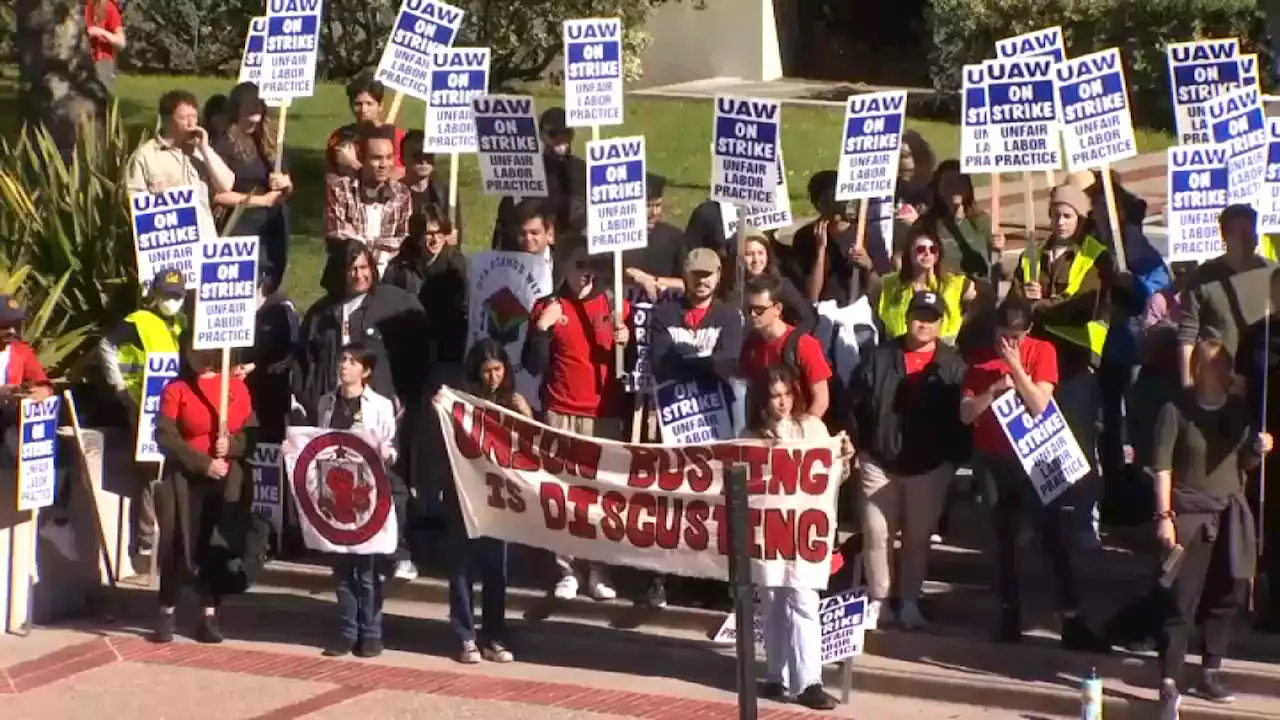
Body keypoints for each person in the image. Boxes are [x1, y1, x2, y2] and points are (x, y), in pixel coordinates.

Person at [959, 295, 1108, 651]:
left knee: (1050, 534)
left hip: (1034, 458)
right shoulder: (979, 362)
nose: (1014, 340)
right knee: (1002, 539)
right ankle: (1008, 614)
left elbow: (1041, 404)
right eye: (1007, 333)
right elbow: (966, 414)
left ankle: (1069, 618)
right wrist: (993, 389)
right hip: (994, 457)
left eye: (1020, 333)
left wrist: (1016, 367)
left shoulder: (1042, 351)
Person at [1152, 339, 1270, 717]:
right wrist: (1164, 516)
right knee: (1182, 598)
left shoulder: (1238, 410)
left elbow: (1245, 463)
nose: (1220, 372)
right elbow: (1163, 466)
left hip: (1230, 510)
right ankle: (1170, 678)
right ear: (1199, 369)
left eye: (1224, 365)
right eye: (1212, 365)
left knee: (1228, 593)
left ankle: (1211, 671)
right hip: (1189, 513)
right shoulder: (1176, 409)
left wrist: (1258, 449)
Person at [848, 290, 967, 630]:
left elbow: (963, 417)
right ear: (907, 317)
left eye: (931, 318)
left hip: (928, 468)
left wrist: (950, 462)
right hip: (879, 460)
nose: (923, 324)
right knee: (876, 532)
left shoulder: (954, 364)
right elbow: (856, 403)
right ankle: (879, 602)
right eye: (918, 316)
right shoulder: (878, 356)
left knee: (917, 537)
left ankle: (910, 603)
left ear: (941, 323)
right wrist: (860, 448)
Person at [1011, 182, 1118, 550]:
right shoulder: (1031, 255)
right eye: (1055, 214)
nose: (1060, 221)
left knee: (1080, 444)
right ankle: (1038, 519)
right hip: (1037, 363)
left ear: (1080, 217)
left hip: (1076, 362)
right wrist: (1023, 300)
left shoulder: (1096, 255)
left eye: (1067, 215)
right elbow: (1013, 309)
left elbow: (1084, 305)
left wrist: (1040, 307)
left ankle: (1086, 519)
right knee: (1036, 444)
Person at [525, 247, 630, 601]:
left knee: (601, 494)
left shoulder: (615, 306)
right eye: (578, 265)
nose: (586, 273)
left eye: (591, 266)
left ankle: (600, 568)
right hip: (561, 411)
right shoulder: (548, 305)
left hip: (604, 415)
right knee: (564, 491)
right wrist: (542, 328)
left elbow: (637, 367)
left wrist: (627, 343)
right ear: (563, 268)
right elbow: (530, 363)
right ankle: (566, 569)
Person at [744, 364, 846, 712]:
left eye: (787, 394)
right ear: (763, 400)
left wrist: (842, 458)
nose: (783, 402)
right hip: (769, 531)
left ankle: (810, 681)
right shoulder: (750, 434)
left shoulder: (813, 428)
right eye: (775, 396)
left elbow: (830, 477)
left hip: (804, 531)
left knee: (803, 599)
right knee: (771, 599)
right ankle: (778, 675)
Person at [152, 339, 258, 644]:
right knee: (176, 542)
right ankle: (166, 608)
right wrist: (202, 463)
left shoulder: (236, 388)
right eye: (192, 349)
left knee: (213, 545)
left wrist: (233, 446)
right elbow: (165, 435)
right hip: (184, 478)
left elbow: (251, 432)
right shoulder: (177, 389)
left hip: (226, 477)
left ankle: (209, 614)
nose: (198, 355)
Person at [312, 343, 400, 658]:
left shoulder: (380, 405)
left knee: (367, 571)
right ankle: (347, 632)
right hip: (333, 499)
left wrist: (384, 453)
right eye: (342, 359)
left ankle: (371, 633)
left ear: (366, 371)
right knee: (341, 569)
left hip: (366, 498)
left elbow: (391, 445)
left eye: (352, 361)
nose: (344, 365)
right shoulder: (326, 402)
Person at [446, 339, 528, 664]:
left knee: (496, 571)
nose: (493, 377)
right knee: (462, 569)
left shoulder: (512, 401)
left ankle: (493, 635)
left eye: (498, 370)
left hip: (499, 499)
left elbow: (534, 447)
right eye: (486, 371)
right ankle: (465, 635)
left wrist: (526, 414)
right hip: (465, 494)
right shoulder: (461, 402)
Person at [97, 269, 188, 560]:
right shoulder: (139, 321)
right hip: (142, 406)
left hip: (174, 406)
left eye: (177, 295)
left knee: (169, 468)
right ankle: (146, 539)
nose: (172, 301)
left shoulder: (180, 323)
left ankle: (166, 533)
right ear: (155, 295)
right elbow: (106, 347)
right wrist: (121, 390)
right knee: (150, 471)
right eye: (167, 295)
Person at [294, 239, 426, 426]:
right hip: (331, 411)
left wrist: (405, 398)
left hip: (379, 413)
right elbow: (303, 363)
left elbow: (418, 354)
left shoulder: (396, 303)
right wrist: (310, 400)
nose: (359, 275)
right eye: (352, 269)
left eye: (364, 267)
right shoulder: (321, 314)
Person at [1177, 204, 1272, 388]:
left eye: (1250, 231)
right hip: (1219, 378)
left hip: (1266, 379)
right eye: (1239, 233)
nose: (1246, 239)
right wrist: (1187, 384)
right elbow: (1188, 335)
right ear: (1225, 237)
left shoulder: (1272, 273)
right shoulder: (1203, 278)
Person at [213, 82, 293, 288]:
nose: (255, 106)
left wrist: (286, 184)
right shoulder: (225, 144)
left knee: (272, 282)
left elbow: (288, 186)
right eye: (248, 102)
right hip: (241, 227)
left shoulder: (274, 140)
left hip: (274, 226)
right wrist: (260, 201)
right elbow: (216, 195)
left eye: (258, 101)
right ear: (236, 107)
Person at [126, 90, 236, 220]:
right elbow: (135, 204)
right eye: (183, 118)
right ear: (166, 120)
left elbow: (227, 185)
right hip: (170, 234)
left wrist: (205, 150)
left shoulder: (201, 152)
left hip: (204, 234)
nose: (191, 124)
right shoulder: (145, 156)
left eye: (194, 117)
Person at [324, 124, 414, 283]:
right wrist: (377, 246)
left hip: (388, 275)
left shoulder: (402, 193)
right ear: (361, 158)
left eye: (388, 157)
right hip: (349, 274)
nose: (383, 164)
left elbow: (402, 239)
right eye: (376, 158)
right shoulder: (340, 190)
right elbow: (338, 234)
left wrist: (363, 242)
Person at [650, 248, 743, 396]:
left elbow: (728, 361)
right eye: (696, 275)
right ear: (685, 275)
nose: (702, 281)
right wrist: (709, 363)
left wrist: (683, 364)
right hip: (677, 403)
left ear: (718, 275)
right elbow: (661, 364)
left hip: (718, 400)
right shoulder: (664, 315)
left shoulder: (729, 315)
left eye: (707, 275)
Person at [739, 273, 831, 419]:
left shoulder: (804, 344)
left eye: (759, 310)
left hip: (801, 429)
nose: (752, 315)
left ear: (777, 309)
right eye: (748, 309)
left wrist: (802, 432)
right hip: (766, 431)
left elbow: (821, 400)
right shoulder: (750, 346)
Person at [785, 170, 882, 305]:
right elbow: (811, 295)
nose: (834, 205)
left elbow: (879, 289)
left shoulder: (864, 232)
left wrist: (868, 266)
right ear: (818, 204)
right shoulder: (805, 237)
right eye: (827, 200)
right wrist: (820, 250)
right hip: (824, 310)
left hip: (859, 308)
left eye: (837, 198)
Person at [873, 227, 976, 346]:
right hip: (898, 353)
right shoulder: (887, 284)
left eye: (933, 249)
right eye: (920, 249)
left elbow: (975, 307)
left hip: (941, 355)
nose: (927, 253)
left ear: (938, 255)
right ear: (909, 253)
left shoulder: (957, 284)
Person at [914, 159, 1002, 279]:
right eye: (948, 182)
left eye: (959, 181)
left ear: (968, 186)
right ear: (938, 188)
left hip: (979, 292)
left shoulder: (983, 221)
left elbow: (994, 265)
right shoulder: (926, 224)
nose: (954, 187)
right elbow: (907, 259)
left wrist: (998, 249)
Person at [622, 173, 689, 299]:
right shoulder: (618, 238)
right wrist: (634, 276)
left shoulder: (674, 237)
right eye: (647, 206)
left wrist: (652, 281)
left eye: (657, 205)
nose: (653, 213)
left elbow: (687, 283)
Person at [325, 76, 406, 181]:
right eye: (358, 104)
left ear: (380, 106)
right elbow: (330, 177)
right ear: (351, 105)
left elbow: (400, 175)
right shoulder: (339, 136)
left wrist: (354, 165)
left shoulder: (395, 135)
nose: (363, 110)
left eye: (369, 104)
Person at [400, 130, 459, 247]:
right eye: (417, 156)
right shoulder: (394, 194)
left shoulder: (445, 193)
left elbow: (456, 232)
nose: (424, 161)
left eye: (429, 155)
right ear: (403, 159)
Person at [383, 206, 457, 297]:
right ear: (416, 234)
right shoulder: (396, 270)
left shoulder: (456, 266)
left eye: (440, 233)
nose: (436, 240)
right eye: (429, 234)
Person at [86, 0, 126, 92]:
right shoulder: (86, 6)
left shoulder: (109, 8)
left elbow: (121, 43)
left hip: (103, 64)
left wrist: (100, 32)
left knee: (100, 101)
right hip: (83, 63)